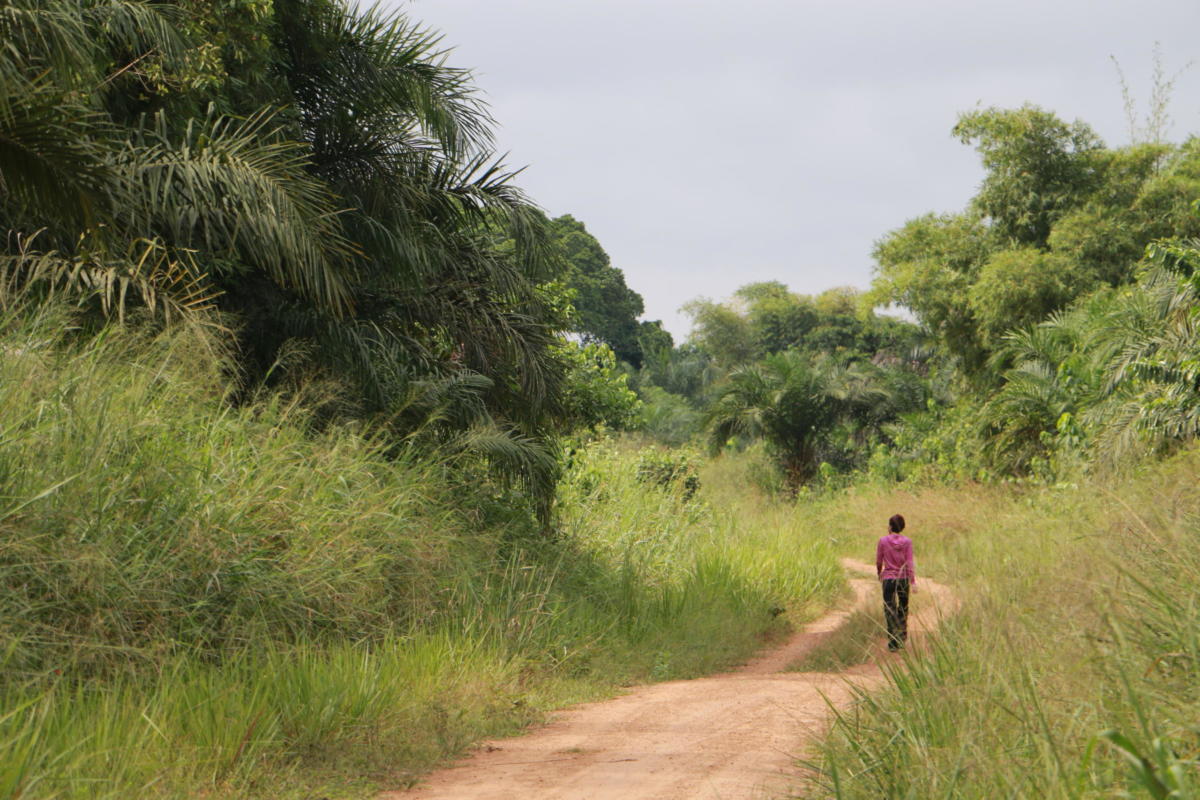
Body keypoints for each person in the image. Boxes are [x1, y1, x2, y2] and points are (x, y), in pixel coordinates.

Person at [875, 513, 915, 651]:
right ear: (902, 527)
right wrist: (913, 581)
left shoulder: (883, 541)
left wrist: (879, 573)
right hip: (903, 579)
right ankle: (902, 637)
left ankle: (893, 641)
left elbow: (879, 561)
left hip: (889, 579)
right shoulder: (907, 542)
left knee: (889, 608)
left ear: (890, 526)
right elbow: (909, 562)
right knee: (903, 607)